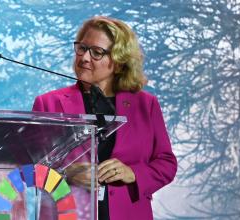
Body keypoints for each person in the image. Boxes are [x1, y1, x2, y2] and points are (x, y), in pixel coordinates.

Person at [32, 16, 177, 220]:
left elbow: (166, 163)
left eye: (97, 52)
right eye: (82, 48)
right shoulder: (48, 104)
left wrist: (133, 173)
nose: (84, 58)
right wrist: (67, 174)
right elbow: (32, 167)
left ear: (118, 63)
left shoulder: (146, 105)